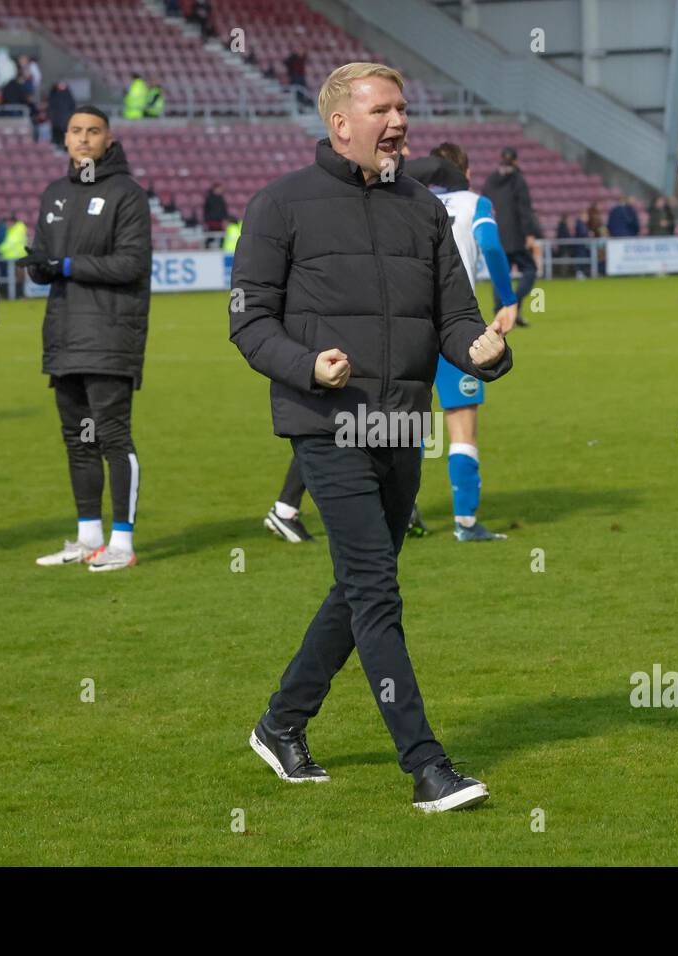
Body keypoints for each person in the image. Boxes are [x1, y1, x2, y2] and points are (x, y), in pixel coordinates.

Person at [230, 62, 512, 812]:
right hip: (327, 421)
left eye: (403, 109)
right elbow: (248, 320)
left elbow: (455, 316)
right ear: (340, 123)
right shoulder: (279, 205)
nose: (398, 122)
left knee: (360, 584)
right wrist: (305, 366)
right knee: (377, 590)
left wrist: (485, 349)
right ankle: (426, 767)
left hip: (402, 420)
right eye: (381, 110)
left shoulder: (422, 208)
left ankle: (280, 722)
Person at [21, 106, 152, 573]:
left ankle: (123, 541)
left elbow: (131, 264)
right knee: (78, 440)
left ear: (109, 140)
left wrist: (69, 265)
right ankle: (87, 537)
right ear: (65, 139)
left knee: (114, 438)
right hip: (63, 334)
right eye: (75, 131)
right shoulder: (54, 193)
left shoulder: (127, 194)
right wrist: (40, 264)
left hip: (111, 334)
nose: (83, 139)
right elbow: (46, 259)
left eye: (93, 131)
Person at [407, 141, 519, 541]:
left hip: (412, 327)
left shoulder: (411, 202)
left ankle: (404, 512)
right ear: (466, 172)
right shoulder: (475, 203)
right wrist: (508, 301)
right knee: (462, 425)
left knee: (410, 426)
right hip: (457, 327)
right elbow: (489, 244)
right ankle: (466, 523)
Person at [481, 146, 540, 327]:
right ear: (515, 161)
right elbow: (524, 208)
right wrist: (530, 233)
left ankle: (504, 314)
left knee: (501, 275)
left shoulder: (491, 180)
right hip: (516, 237)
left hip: (496, 236)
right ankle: (514, 301)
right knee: (530, 269)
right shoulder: (517, 179)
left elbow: (484, 206)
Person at [202, 182, 228, 248]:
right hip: (212, 221)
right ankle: (206, 248)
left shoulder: (221, 199)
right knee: (211, 236)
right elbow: (206, 211)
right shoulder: (209, 199)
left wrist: (224, 219)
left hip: (219, 221)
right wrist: (207, 220)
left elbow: (224, 210)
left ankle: (221, 247)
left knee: (221, 236)